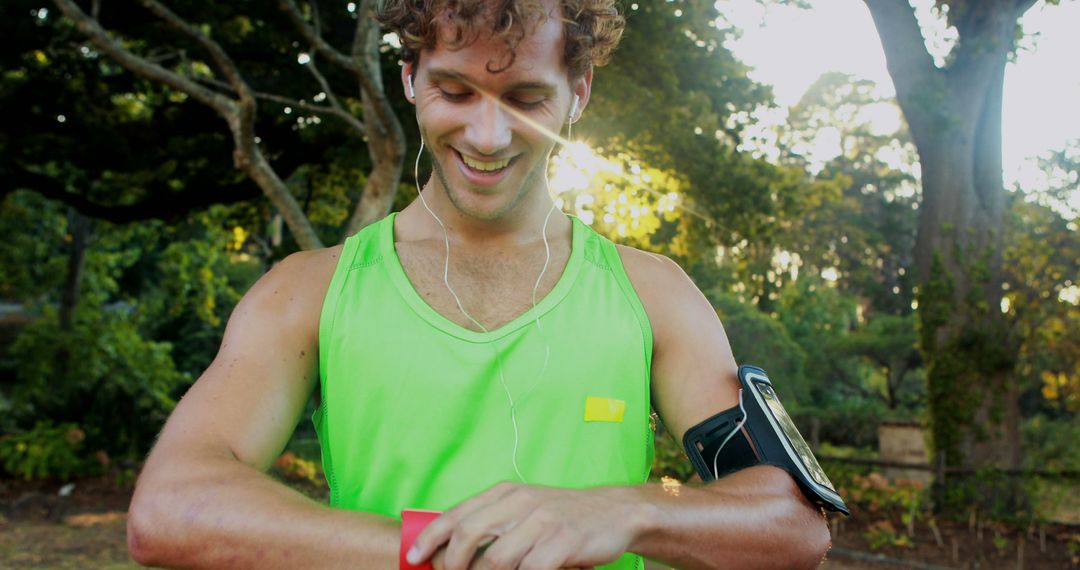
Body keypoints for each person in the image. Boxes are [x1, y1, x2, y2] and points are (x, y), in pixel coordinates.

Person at [125, 0, 832, 568]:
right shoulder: (307, 291)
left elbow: (793, 525)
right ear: (409, 79)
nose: (489, 134)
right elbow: (170, 508)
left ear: (578, 93)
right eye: (454, 90)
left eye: (526, 95)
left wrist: (627, 510)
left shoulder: (653, 293)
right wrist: (437, 551)